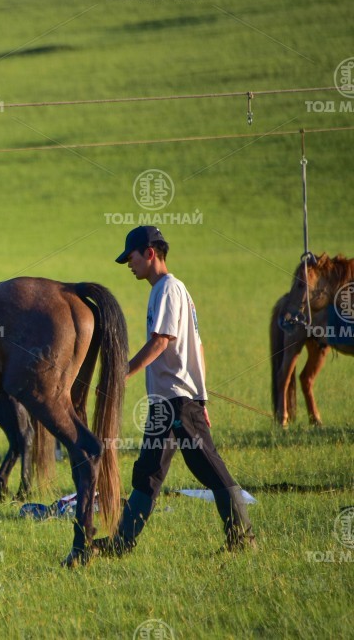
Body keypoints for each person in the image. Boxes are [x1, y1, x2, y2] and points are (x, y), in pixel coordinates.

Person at [95, 226, 255, 556]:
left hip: (178, 402)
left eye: (131, 257)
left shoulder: (167, 288)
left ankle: (243, 540)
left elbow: (161, 342)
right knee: (148, 473)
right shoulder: (170, 290)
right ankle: (120, 544)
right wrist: (203, 398)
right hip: (167, 402)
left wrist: (121, 374)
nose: (129, 264)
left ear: (149, 253)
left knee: (210, 469)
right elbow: (199, 346)